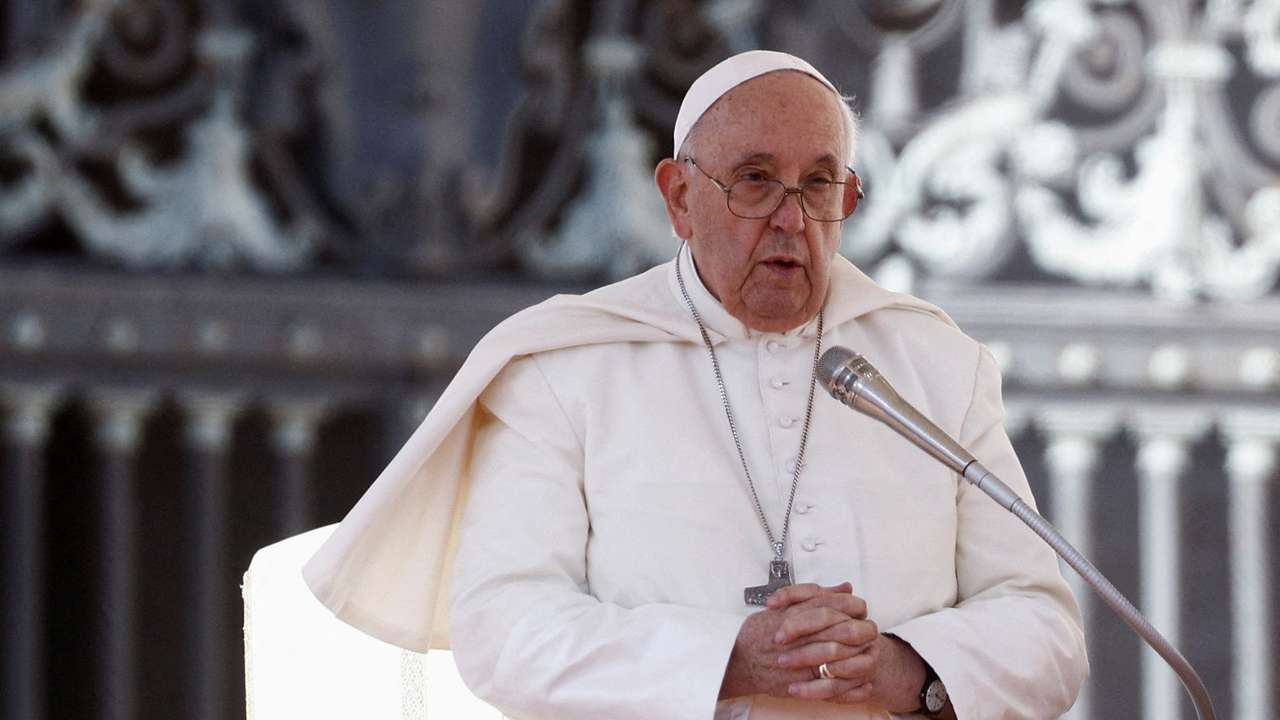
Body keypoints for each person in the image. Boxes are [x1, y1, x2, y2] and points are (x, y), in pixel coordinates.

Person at [304, 50, 1088, 719]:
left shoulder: (931, 364)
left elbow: (1046, 631)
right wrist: (728, 659)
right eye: (755, 180)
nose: (792, 219)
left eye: (819, 185)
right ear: (680, 198)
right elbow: (504, 628)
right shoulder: (568, 365)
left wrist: (901, 668)